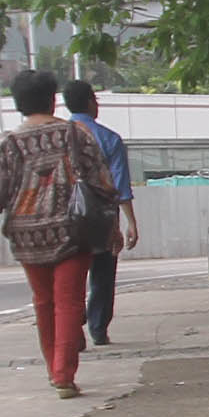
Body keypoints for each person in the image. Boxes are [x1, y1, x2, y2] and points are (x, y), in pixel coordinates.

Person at [0, 69, 118, 399]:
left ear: (19, 104)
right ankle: (63, 374)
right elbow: (103, 184)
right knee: (68, 302)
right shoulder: (76, 135)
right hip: (72, 231)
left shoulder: (8, 143)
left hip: (26, 234)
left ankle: (54, 369)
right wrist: (114, 228)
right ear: (53, 100)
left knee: (43, 302)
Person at [60, 79, 139, 345]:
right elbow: (120, 186)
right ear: (91, 102)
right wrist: (130, 223)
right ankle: (97, 327)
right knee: (102, 274)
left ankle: (73, 324)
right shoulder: (109, 139)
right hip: (103, 218)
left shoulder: (58, 137)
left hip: (66, 218)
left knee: (71, 274)